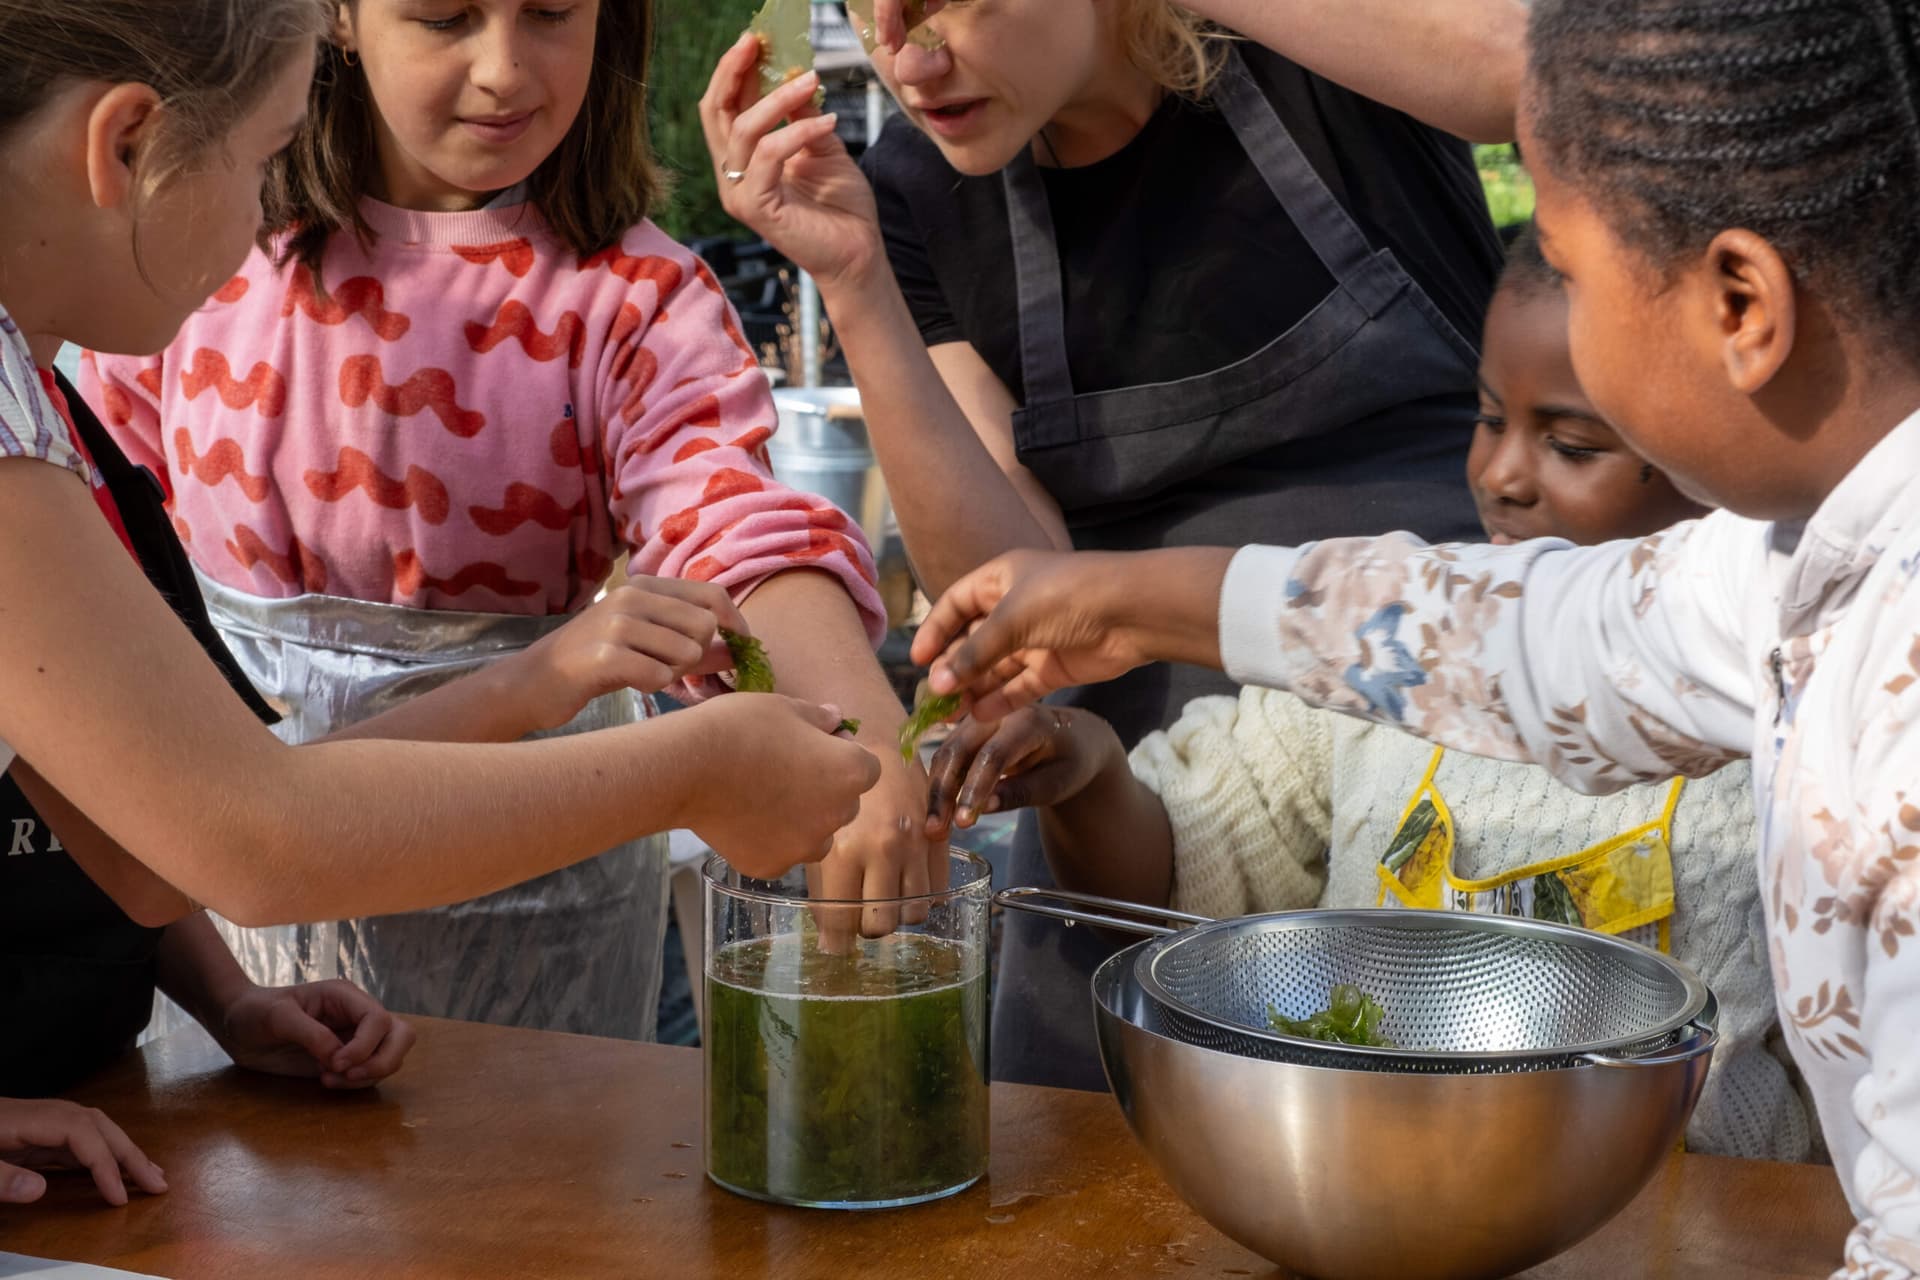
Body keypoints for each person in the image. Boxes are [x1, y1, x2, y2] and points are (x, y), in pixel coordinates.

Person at [913, 0, 1920, 1266]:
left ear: (1739, 304)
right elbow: (1522, 635)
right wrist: (1122, 601)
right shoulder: (1794, 567)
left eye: (1573, 263)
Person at [0, 0, 879, 1044]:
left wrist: (850, 713)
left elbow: (151, 850)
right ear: (126, 147)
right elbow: (245, 833)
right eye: (260, 156)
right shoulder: (80, 365)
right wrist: (685, 763)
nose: (503, 70)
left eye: (551, 13)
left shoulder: (60, 363)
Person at [701, 0, 1516, 1088]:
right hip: (1133, 764)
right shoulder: (911, 190)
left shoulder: (1309, 51)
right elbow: (1009, 596)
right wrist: (857, 285)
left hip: (1434, 711)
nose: (909, 54)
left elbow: (1534, 71)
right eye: (868, 4)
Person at [923, 227, 1812, 1160]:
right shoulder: (1384, 655)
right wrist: (1088, 772)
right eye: (1485, 418)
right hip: (1377, 1195)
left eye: (1571, 444)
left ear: (1726, 453)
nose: (1502, 477)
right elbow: (1174, 863)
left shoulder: (1786, 720)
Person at [2, 371, 413, 1211]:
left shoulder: (50, 412)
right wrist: (558, 682)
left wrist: (229, 999)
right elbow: (249, 836)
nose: (254, 238)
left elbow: (128, 814)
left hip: (97, 1118)